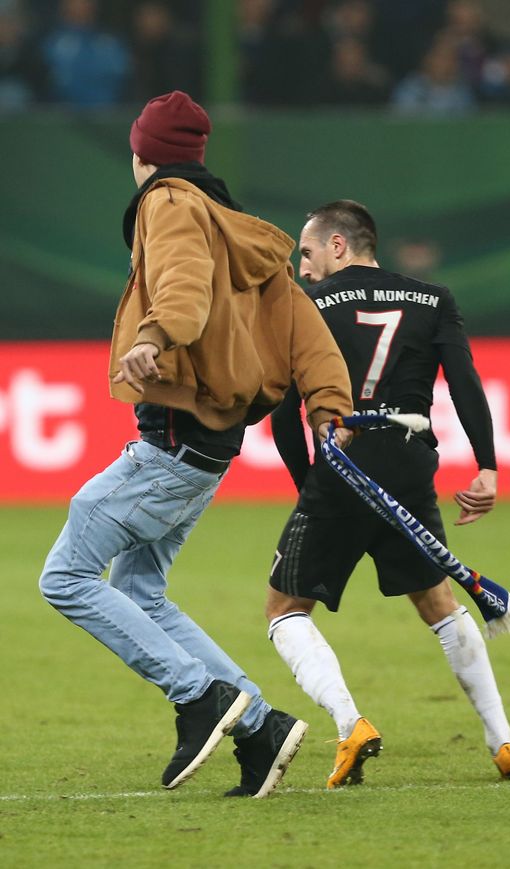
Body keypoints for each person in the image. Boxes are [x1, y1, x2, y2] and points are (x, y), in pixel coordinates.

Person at [39, 92, 354, 798]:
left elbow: (182, 286)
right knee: (140, 588)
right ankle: (260, 724)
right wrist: (330, 407)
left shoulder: (168, 199)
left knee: (64, 574)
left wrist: (153, 336)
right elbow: (311, 337)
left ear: (142, 154)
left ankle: (198, 696)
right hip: (209, 452)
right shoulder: (249, 234)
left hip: (171, 442)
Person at [266, 199, 510, 789]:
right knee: (439, 602)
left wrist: (307, 485)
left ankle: (349, 723)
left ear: (338, 246)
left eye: (307, 254)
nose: (303, 269)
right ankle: (504, 740)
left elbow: (287, 414)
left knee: (284, 610)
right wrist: (487, 465)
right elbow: (464, 382)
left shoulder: (307, 305)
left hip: (342, 465)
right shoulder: (434, 300)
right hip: (411, 464)